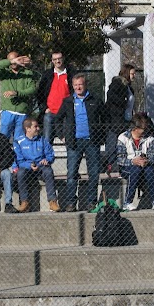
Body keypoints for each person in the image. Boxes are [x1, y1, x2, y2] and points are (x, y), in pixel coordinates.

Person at [54, 73, 105, 212]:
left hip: (92, 141)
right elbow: (57, 119)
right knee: (71, 174)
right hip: (74, 142)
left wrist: (102, 136)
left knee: (93, 173)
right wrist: (62, 136)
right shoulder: (68, 101)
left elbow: (105, 118)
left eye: (80, 84)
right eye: (75, 85)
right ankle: (71, 202)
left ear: (85, 84)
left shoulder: (95, 99)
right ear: (72, 86)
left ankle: (91, 202)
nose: (78, 87)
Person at [117, 113, 154, 211]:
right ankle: (127, 202)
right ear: (135, 128)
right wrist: (133, 161)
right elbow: (120, 158)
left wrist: (146, 161)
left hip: (145, 166)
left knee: (150, 171)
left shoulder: (149, 138)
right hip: (127, 167)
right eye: (143, 128)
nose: (145, 130)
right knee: (135, 170)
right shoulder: (123, 137)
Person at [13, 117, 60, 212]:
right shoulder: (19, 141)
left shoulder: (42, 140)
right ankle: (24, 202)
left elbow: (50, 155)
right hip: (27, 167)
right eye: (36, 126)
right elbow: (19, 160)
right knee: (20, 173)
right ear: (28, 129)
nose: (38, 128)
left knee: (48, 171)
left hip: (40, 167)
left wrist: (47, 160)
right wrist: (29, 165)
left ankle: (52, 201)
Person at [0, 51, 38, 141]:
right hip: (8, 111)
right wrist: (12, 61)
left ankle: (18, 155)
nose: (14, 62)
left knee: (19, 140)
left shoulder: (28, 73)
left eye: (15, 59)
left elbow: (32, 89)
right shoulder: (4, 73)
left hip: (22, 112)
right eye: (11, 60)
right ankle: (2, 155)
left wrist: (17, 93)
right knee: (2, 138)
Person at [104, 64, 137, 171]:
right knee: (113, 143)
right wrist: (123, 101)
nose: (134, 75)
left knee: (125, 144)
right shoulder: (117, 84)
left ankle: (124, 165)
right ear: (127, 73)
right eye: (132, 73)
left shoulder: (129, 87)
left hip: (127, 119)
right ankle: (112, 166)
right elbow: (111, 97)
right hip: (116, 120)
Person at [35, 51, 74, 143]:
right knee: (47, 139)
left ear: (63, 59)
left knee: (68, 139)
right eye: (55, 59)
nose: (57, 61)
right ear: (52, 61)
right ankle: (46, 157)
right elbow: (40, 93)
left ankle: (70, 156)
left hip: (65, 113)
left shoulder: (71, 74)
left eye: (59, 58)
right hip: (50, 111)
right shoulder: (47, 74)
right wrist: (44, 108)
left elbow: (74, 92)